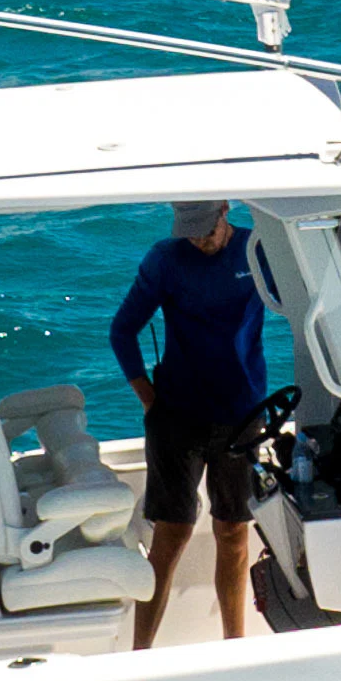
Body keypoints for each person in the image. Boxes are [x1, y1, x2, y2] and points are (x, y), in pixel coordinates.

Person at [110, 201, 267, 648]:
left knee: (233, 531)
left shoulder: (257, 250)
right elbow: (122, 330)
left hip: (241, 414)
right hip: (177, 416)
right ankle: (141, 653)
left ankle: (234, 645)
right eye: (190, 232)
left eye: (206, 230)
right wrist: (149, 399)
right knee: (171, 533)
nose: (198, 240)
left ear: (224, 211)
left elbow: (301, 302)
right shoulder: (166, 259)